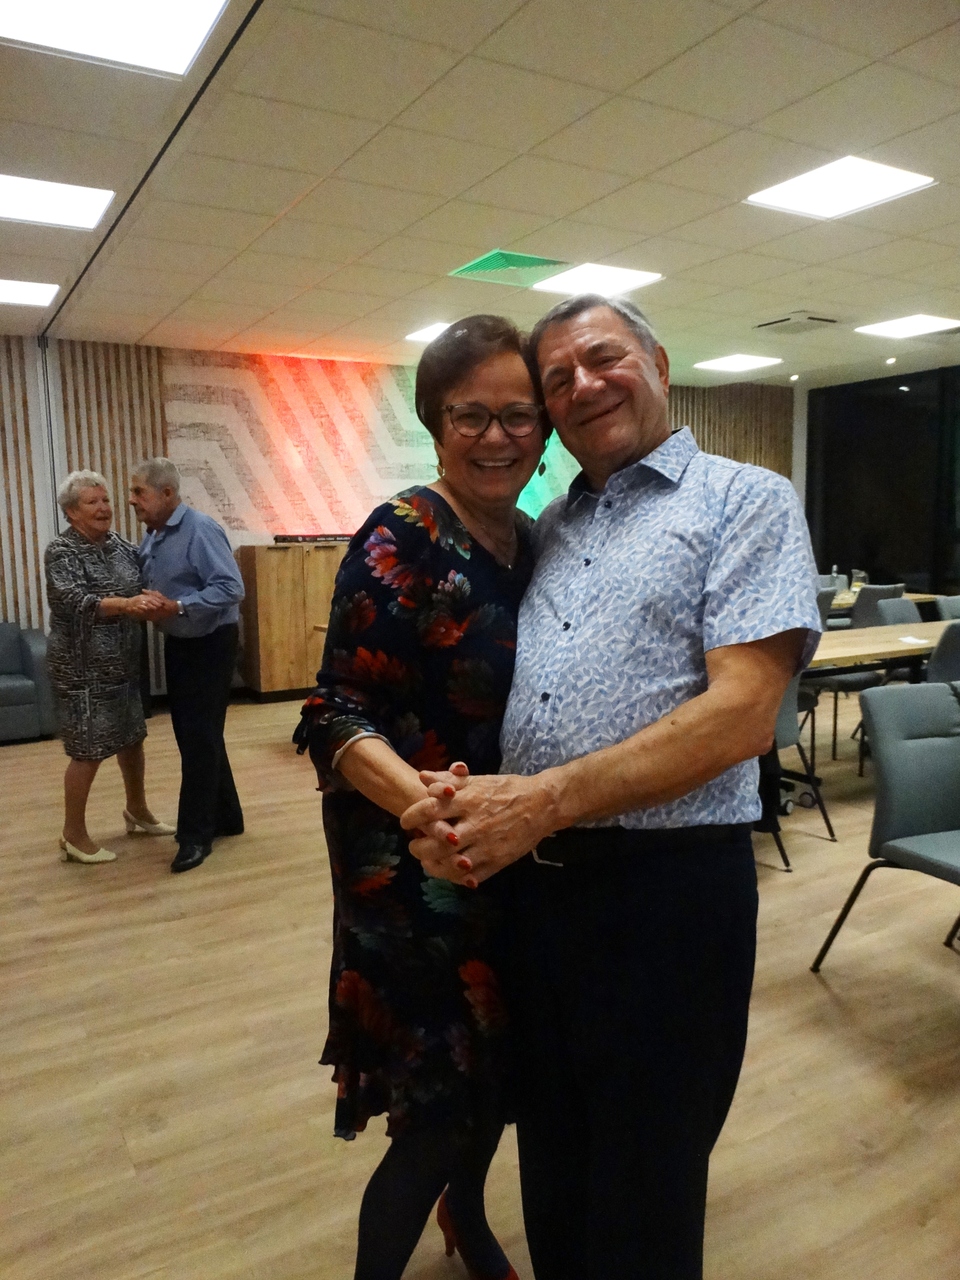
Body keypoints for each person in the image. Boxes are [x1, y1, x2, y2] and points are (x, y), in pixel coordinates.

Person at [402, 295, 822, 1280]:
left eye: (604, 358)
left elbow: (742, 714)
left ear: (659, 364)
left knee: (644, 1187)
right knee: (554, 1164)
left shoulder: (745, 500)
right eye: (559, 379)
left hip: (665, 898)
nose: (584, 384)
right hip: (537, 897)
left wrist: (542, 799)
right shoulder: (549, 525)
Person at [294, 315, 549, 1280]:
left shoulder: (533, 543)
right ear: (435, 424)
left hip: (511, 852)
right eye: (469, 414)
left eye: (518, 415)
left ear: (545, 429)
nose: (496, 436)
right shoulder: (404, 531)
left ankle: (467, 1219)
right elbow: (334, 710)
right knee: (438, 1108)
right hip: (410, 868)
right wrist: (428, 812)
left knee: (493, 1081)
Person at [45, 470, 174, 864]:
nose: (104, 508)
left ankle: (137, 809)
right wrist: (125, 604)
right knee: (88, 749)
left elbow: (144, 581)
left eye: (105, 500)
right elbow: (72, 600)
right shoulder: (61, 551)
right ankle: (73, 834)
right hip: (81, 669)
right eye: (92, 502)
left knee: (132, 737)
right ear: (71, 512)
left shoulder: (121, 546)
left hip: (124, 664)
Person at [129, 458, 245, 874]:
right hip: (181, 643)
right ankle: (228, 816)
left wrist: (178, 606)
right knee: (200, 734)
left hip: (211, 644)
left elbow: (232, 587)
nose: (132, 500)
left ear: (167, 493)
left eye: (139, 492)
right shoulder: (153, 535)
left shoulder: (200, 529)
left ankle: (194, 836)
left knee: (197, 738)